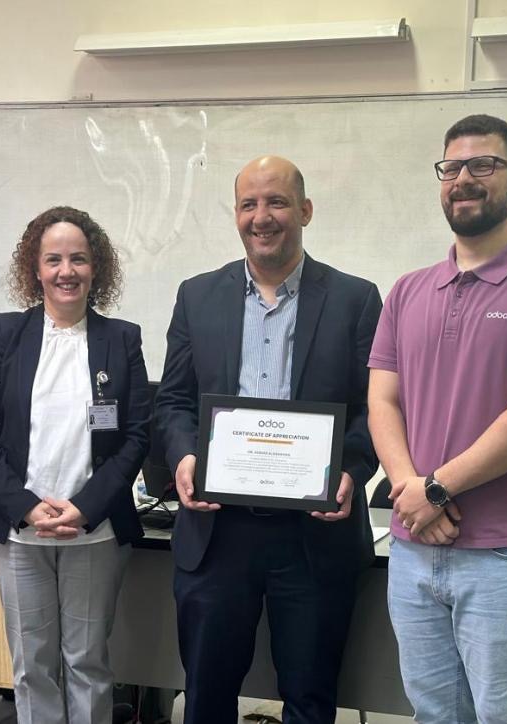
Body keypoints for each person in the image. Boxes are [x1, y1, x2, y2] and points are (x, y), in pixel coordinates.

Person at [367, 115, 507, 724]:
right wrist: (410, 491)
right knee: (434, 714)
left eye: (482, 165)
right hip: (415, 550)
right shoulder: (408, 291)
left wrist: (434, 490)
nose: (463, 179)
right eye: (451, 167)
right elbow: (383, 402)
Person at [154, 155, 382, 724]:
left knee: (309, 699)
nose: (262, 217)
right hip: (217, 533)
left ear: (305, 210)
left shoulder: (356, 299)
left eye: (277, 202)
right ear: (236, 215)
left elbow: (376, 408)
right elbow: (173, 400)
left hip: (313, 537)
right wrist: (184, 455)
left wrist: (351, 470)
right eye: (249, 204)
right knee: (205, 698)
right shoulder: (197, 296)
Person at [0, 206, 151, 724]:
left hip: (93, 531)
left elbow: (137, 435)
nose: (67, 271)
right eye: (54, 260)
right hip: (20, 532)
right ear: (36, 269)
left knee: (87, 663)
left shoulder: (121, 339)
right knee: (33, 667)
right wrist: (25, 506)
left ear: (96, 267)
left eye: (79, 259)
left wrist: (86, 507)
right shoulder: (6, 336)